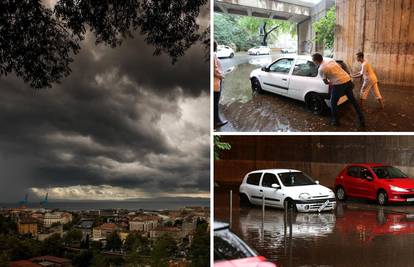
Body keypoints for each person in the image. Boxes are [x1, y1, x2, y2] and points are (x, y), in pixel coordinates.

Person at [312, 53, 365, 128]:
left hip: (339, 85)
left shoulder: (321, 69)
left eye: (313, 61)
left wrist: (332, 81)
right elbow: (340, 67)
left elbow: (326, 82)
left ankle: (336, 121)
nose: (313, 62)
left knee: (333, 103)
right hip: (348, 80)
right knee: (353, 100)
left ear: (316, 61)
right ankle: (361, 118)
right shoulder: (330, 61)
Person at [214, 41, 228, 128]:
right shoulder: (213, 55)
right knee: (215, 103)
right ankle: (217, 121)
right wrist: (220, 76)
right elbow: (214, 70)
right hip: (215, 83)